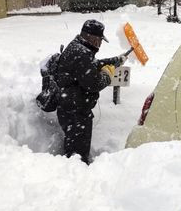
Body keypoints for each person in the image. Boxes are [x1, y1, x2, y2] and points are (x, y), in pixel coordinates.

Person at [54, 19, 128, 164]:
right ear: (92, 38)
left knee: (73, 150)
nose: (100, 44)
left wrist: (115, 60)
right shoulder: (82, 53)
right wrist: (107, 75)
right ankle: (77, 177)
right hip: (76, 113)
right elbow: (94, 84)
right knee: (77, 156)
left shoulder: (78, 48)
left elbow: (92, 65)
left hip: (71, 109)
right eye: (100, 40)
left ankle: (74, 169)